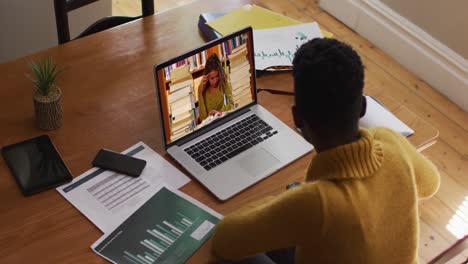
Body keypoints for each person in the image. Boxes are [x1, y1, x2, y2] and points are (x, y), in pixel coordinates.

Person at [211, 38, 440, 263]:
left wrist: (286, 202)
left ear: (297, 117)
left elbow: (225, 239)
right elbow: (431, 183)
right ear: (362, 106)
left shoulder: (314, 203)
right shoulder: (391, 142)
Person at [198, 53, 233, 122]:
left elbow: (232, 103)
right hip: (209, 125)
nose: (215, 81)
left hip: (222, 120)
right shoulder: (203, 89)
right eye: (212, 78)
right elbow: (203, 119)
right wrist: (199, 93)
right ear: (207, 77)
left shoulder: (222, 82)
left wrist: (219, 112)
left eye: (217, 76)